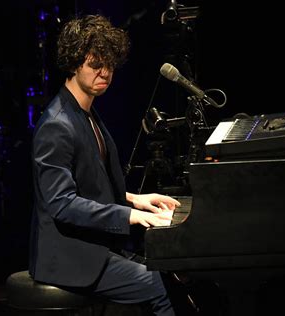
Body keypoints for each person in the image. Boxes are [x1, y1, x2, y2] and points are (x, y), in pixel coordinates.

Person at [28, 14, 180, 316]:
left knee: (172, 274)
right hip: (70, 258)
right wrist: (131, 215)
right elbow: (62, 204)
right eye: (96, 64)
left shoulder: (84, 113)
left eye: (110, 64)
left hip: (94, 247)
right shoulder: (57, 125)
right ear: (74, 62)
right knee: (160, 286)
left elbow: (87, 185)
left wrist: (136, 199)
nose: (105, 72)